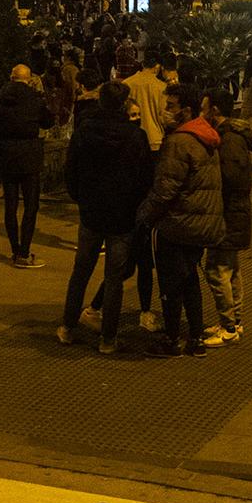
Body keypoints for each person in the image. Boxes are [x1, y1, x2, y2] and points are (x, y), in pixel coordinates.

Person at [59, 82, 153, 353]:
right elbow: (145, 177)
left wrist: (81, 198)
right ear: (124, 105)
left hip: (92, 212)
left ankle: (67, 326)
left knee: (81, 271)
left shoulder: (84, 131)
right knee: (115, 277)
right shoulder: (135, 137)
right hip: (122, 215)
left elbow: (71, 170)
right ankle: (108, 339)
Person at [136, 84, 225, 357]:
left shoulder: (179, 141)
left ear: (186, 110)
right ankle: (196, 338)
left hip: (179, 222)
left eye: (171, 107)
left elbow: (165, 188)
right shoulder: (206, 136)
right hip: (202, 222)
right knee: (189, 279)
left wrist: (143, 217)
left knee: (170, 283)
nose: (166, 112)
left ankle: (172, 338)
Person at [203, 90, 252, 344]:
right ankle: (234, 322)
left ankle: (229, 328)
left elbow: (232, 178)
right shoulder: (231, 137)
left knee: (217, 269)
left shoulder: (229, 140)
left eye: (205, 109)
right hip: (233, 212)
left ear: (215, 111)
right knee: (230, 269)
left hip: (229, 212)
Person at [0, 64, 55, 267]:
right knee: (31, 205)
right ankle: (25, 251)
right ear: (28, 78)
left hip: (7, 152)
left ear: (11, 77)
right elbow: (47, 121)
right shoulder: (35, 99)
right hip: (29, 153)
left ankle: (15, 248)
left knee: (10, 205)